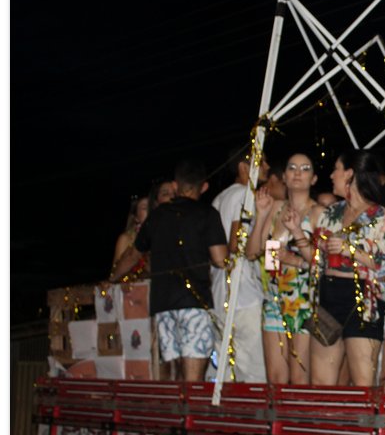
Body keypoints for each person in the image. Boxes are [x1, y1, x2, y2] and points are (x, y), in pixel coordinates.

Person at [110, 159, 227, 382]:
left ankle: (175, 415)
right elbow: (220, 259)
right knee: (193, 377)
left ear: (175, 185)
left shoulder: (158, 215)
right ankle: (189, 416)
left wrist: (113, 277)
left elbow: (132, 255)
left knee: (172, 375)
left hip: (163, 304)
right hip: (194, 302)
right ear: (204, 187)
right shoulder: (207, 214)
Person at [309, 150, 385, 387]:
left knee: (362, 382)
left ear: (349, 174)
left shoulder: (379, 216)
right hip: (328, 294)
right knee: (320, 383)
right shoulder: (331, 213)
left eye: (336, 169)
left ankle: (364, 424)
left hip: (362, 299)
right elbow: (317, 259)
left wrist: (352, 251)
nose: (331, 175)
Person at [246, 153, 322, 385]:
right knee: (276, 378)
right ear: (284, 177)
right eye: (292, 168)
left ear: (314, 179)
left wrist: (293, 259)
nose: (298, 172)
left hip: (305, 302)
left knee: (300, 377)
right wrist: (260, 216)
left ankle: (298, 422)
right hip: (275, 299)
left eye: (305, 168)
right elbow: (253, 253)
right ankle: (277, 422)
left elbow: (322, 263)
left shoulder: (319, 213)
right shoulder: (275, 208)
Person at [208, 146, 268, 383]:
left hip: (221, 291)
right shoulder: (244, 195)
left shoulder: (218, 198)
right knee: (253, 366)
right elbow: (236, 242)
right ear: (244, 167)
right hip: (242, 294)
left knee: (225, 364)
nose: (266, 167)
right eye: (261, 162)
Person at [111, 196, 150, 280]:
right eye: (145, 208)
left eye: (151, 206)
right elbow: (115, 274)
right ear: (136, 217)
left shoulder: (160, 237)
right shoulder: (126, 239)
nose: (150, 210)